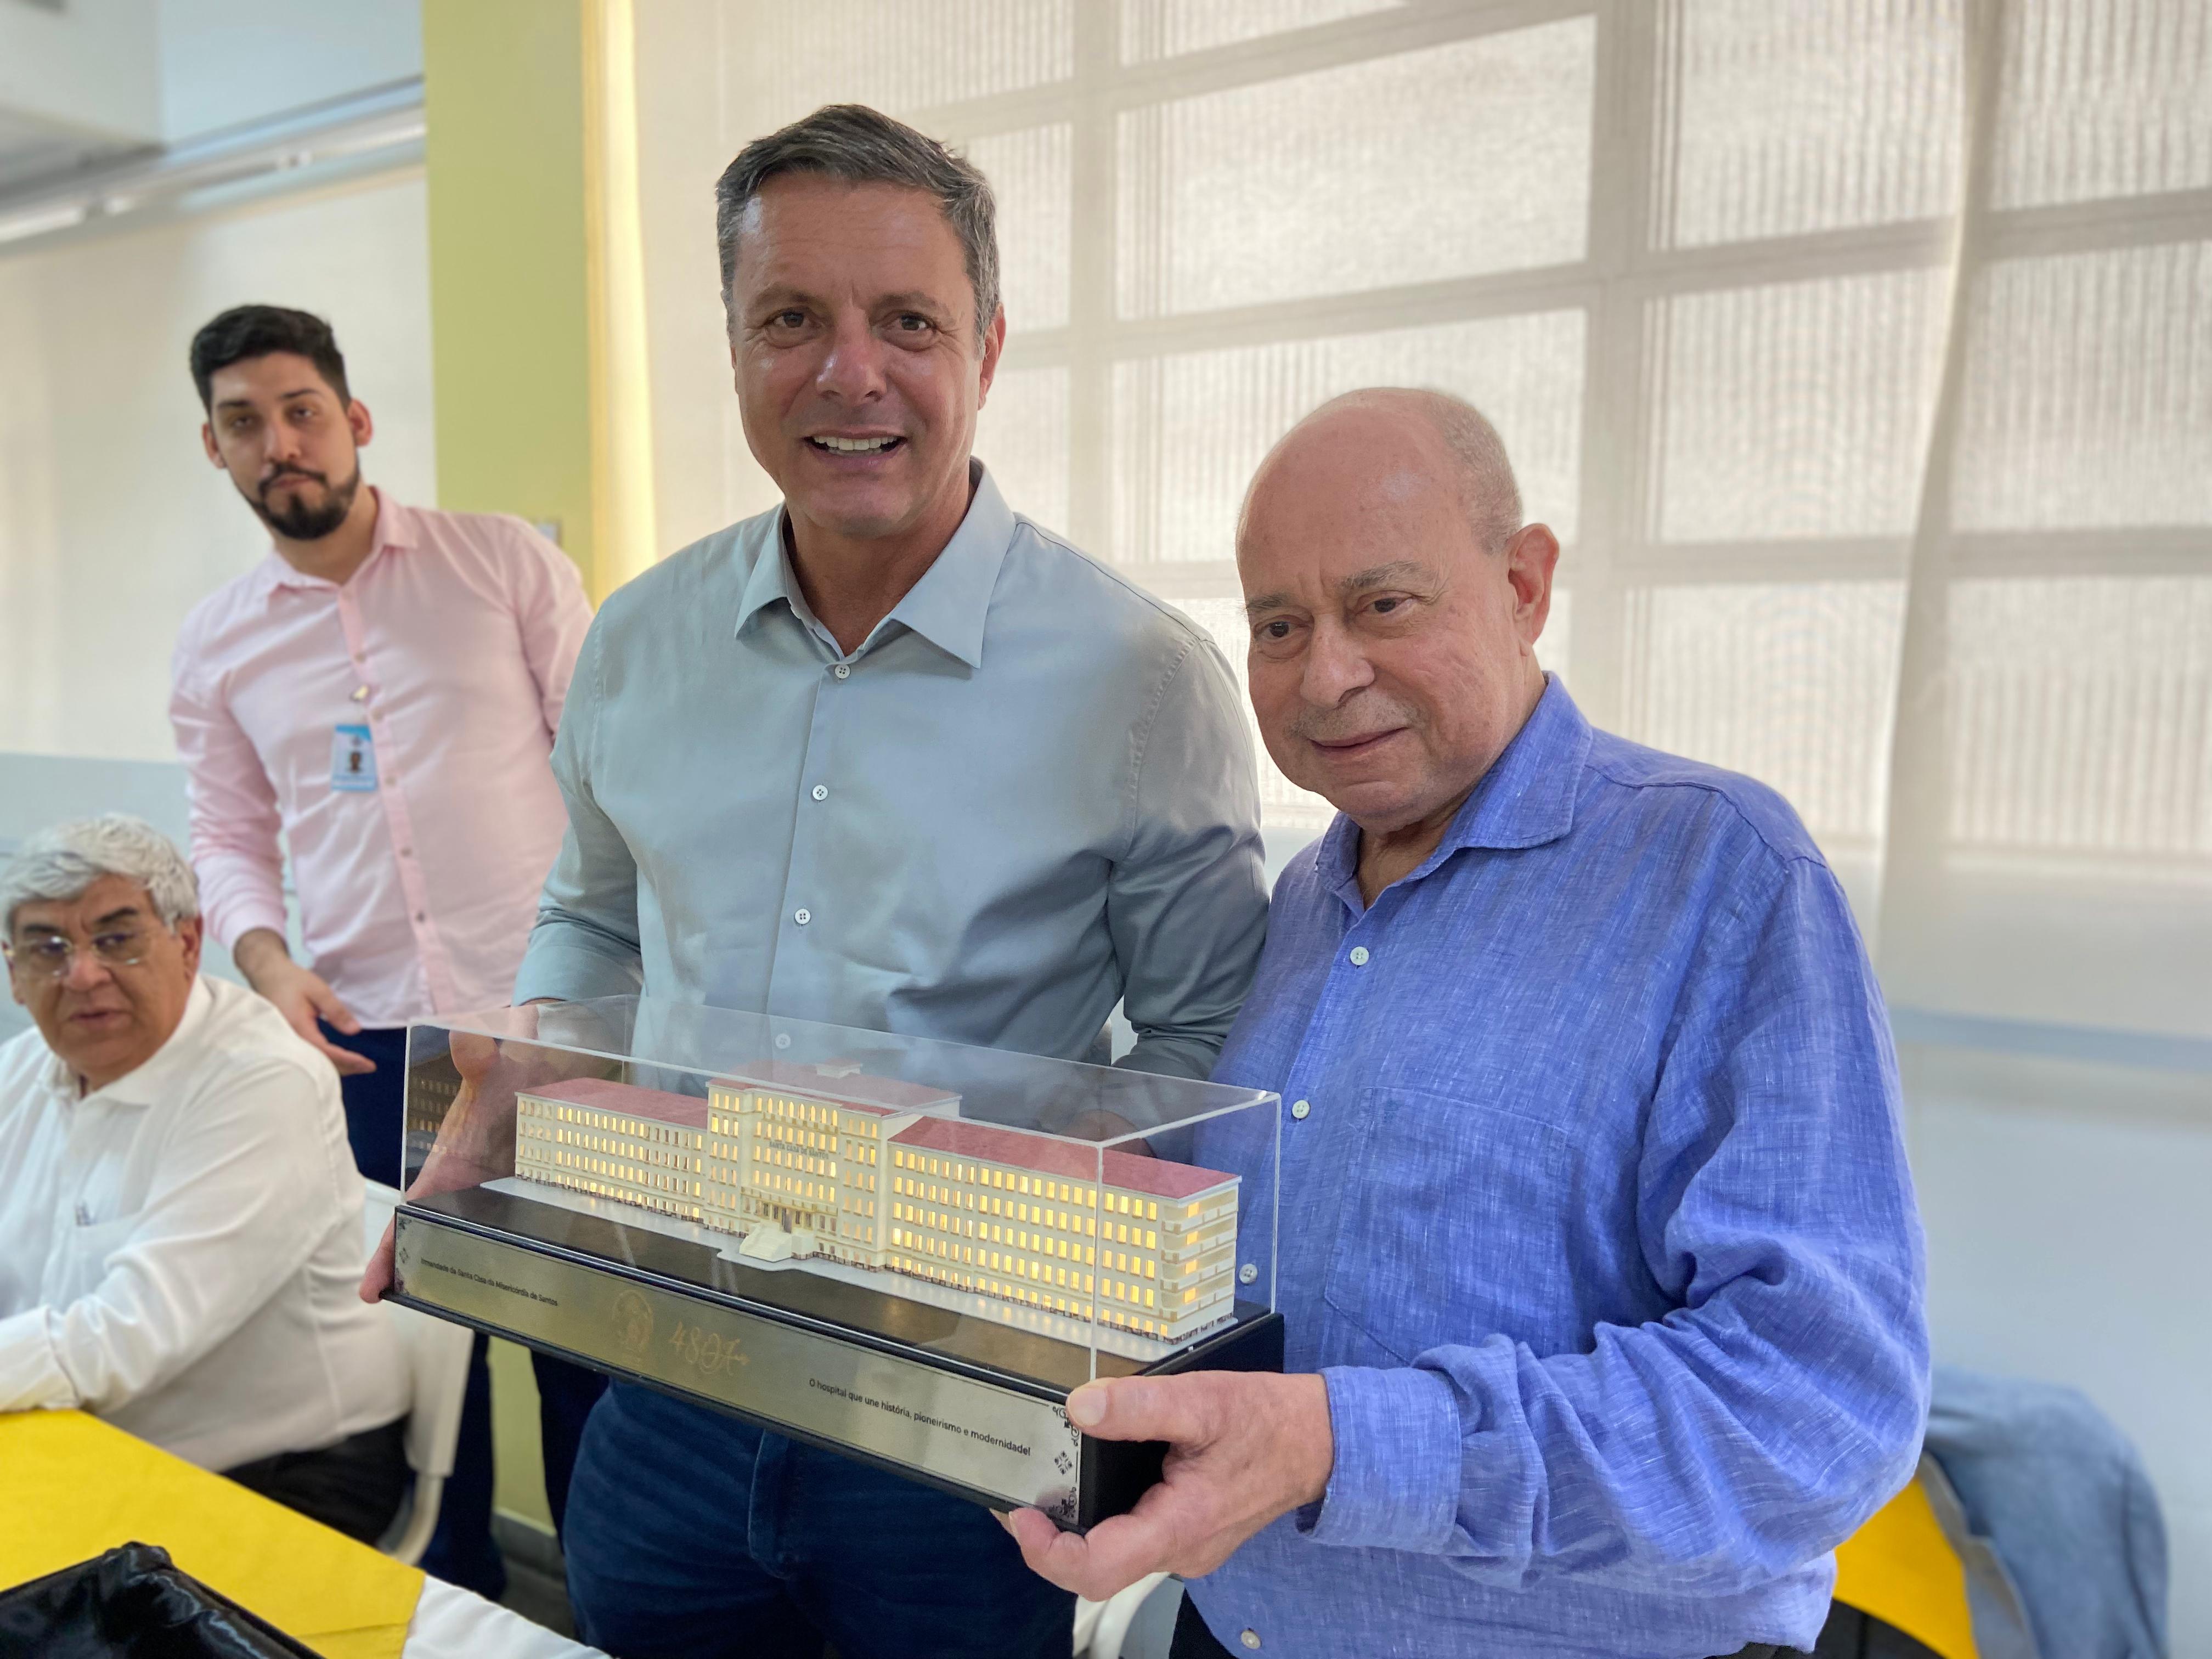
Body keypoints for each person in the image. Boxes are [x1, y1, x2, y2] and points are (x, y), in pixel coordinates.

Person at [366, 103, 1268, 1659]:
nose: (851, 373)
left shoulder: (1139, 679)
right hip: (666, 1363)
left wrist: (1017, 1212)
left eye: (907, 321)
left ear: (988, 345)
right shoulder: (639, 641)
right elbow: (594, 913)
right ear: (732, 345)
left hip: (967, 1416)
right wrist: (529, 1070)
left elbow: (1205, 1041)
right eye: (791, 319)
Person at [1004, 390, 1930, 1659]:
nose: (1326, 676)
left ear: (1523, 586)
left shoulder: (1721, 875)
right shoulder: (1303, 901)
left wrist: (1342, 1447)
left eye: (1384, 604)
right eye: (1279, 626)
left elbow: (1820, 1410)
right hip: (1237, 1630)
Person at [168, 304, 603, 1593]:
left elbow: (605, 771)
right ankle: (442, 1612)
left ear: (354, 420)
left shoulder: (501, 566)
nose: (279, 444)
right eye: (244, 422)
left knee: (584, 1355)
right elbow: (226, 832)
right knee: (415, 1360)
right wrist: (265, 963)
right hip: (370, 1048)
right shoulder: (219, 642)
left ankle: (599, 1614)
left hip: (548, 1027)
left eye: (301, 411)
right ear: (214, 448)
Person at [0, 815, 409, 1543]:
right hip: (79, 1433)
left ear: (187, 943)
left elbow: (130, 1334)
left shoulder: (262, 1082)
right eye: (47, 948)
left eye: (116, 939)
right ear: (14, 974)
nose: (82, 975)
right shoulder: (22, 1069)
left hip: (277, 1472)